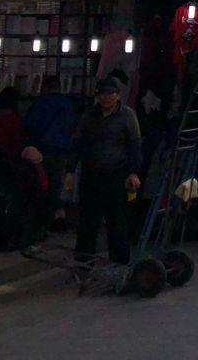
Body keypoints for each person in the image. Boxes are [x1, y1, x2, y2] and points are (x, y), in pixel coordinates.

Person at [72, 77, 142, 265]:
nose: (106, 98)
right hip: (91, 174)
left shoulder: (127, 116)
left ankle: (119, 264)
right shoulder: (89, 116)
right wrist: (70, 171)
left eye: (110, 94)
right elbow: (79, 144)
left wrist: (134, 172)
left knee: (117, 222)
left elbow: (135, 146)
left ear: (117, 96)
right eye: (103, 94)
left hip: (116, 175)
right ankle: (84, 263)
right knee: (88, 221)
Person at [24, 76, 77, 231]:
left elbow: (31, 125)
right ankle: (54, 219)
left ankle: (39, 224)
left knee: (40, 186)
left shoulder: (41, 103)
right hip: (62, 150)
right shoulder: (68, 104)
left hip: (42, 150)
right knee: (55, 186)